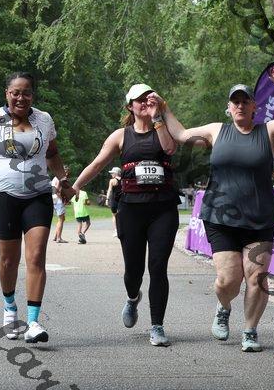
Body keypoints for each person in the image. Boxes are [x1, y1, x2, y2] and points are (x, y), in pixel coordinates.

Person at [150, 63, 274, 352]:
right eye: (235, 101)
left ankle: (250, 331)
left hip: (259, 218)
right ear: (229, 107)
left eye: (245, 101)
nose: (239, 105)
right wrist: (164, 108)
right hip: (220, 217)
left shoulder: (268, 131)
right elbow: (182, 135)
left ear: (254, 107)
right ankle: (223, 307)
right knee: (228, 280)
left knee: (256, 278)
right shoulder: (216, 131)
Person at [0, 71, 74, 343]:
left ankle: (33, 322)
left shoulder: (44, 119)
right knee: (9, 260)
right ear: (7, 94)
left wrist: (63, 180)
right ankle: (10, 309)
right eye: (15, 93)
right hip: (4, 197)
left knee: (36, 257)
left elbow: (52, 152)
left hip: (38, 196)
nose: (21, 98)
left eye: (26, 93)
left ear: (32, 95)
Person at [72, 83, 179, 347]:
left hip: (163, 208)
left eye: (148, 98)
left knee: (158, 267)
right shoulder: (121, 136)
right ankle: (133, 298)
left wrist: (158, 117)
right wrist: (75, 187)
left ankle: (157, 326)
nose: (144, 103)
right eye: (138, 100)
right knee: (133, 270)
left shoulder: (163, 128)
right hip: (131, 210)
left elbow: (169, 149)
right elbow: (98, 164)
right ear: (130, 106)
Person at [51, 166, 70, 243]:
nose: (67, 174)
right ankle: (59, 238)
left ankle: (56, 236)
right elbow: (56, 190)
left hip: (53, 198)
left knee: (61, 218)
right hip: (57, 199)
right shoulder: (60, 178)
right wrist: (61, 200)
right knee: (61, 219)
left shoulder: (55, 178)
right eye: (66, 172)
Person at [105, 166, 122, 237]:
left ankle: (116, 230)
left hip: (114, 200)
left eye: (112, 173)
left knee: (114, 215)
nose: (111, 174)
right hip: (122, 200)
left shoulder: (112, 181)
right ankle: (122, 229)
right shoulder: (123, 180)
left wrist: (107, 199)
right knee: (122, 215)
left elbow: (109, 190)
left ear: (116, 173)